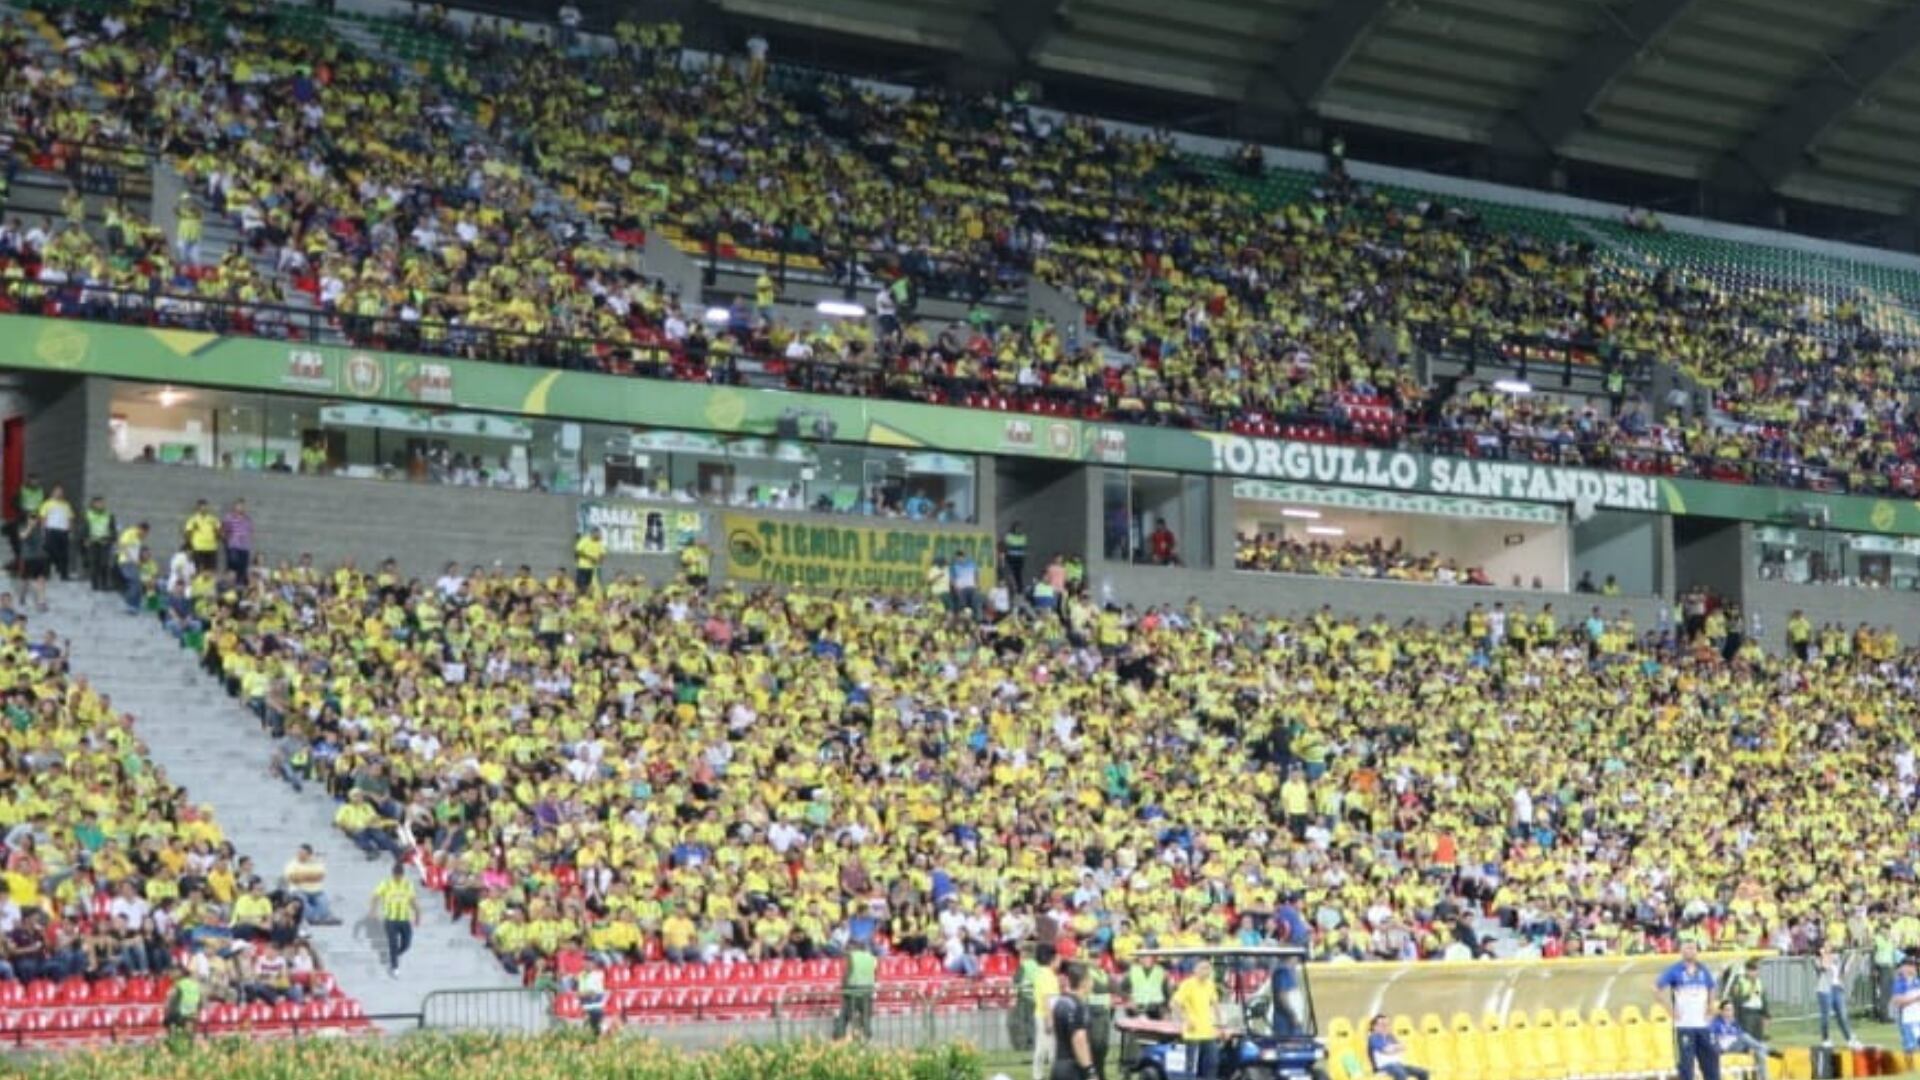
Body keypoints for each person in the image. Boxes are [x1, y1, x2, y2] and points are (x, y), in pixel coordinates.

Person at [1656, 942, 1720, 1080]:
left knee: (1711, 1064)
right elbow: (1657, 989)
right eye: (1687, 948)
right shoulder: (1675, 970)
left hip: (1703, 1025)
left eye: (1693, 948)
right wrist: (1670, 1010)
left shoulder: (1703, 969)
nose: (1691, 951)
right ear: (1681, 951)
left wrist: (1711, 1006)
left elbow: (1712, 987)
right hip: (1684, 1026)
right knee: (1686, 1067)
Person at [1170, 959, 1220, 1080]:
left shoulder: (1210, 984)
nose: (1206, 971)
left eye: (1208, 968)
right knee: (1191, 1066)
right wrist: (1185, 1019)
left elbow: (1215, 1004)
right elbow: (1174, 1003)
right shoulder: (1188, 984)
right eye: (1203, 968)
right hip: (1193, 1033)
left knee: (1212, 1063)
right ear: (1195, 970)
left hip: (1208, 1032)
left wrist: (1220, 1023)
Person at [1050, 963, 1097, 1080]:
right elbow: (1079, 1039)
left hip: (1059, 1065)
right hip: (1073, 1068)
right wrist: (1089, 1070)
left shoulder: (1060, 1002)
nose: (1092, 982)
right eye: (1090, 979)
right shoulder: (1079, 1006)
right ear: (1083, 982)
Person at [373, 861, 419, 979]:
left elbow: (412, 900)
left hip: (404, 919)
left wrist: (417, 913)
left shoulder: (408, 885)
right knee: (393, 943)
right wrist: (373, 910)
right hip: (391, 920)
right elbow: (376, 896)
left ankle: (394, 955)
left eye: (400, 876)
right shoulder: (386, 884)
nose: (398, 878)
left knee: (407, 944)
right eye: (396, 875)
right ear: (393, 874)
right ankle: (395, 967)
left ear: (402, 875)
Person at [1710, 1001, 1773, 1080]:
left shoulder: (1735, 1023)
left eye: (1731, 1010)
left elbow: (1742, 1038)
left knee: (1759, 1052)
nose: (1730, 1012)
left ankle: (1765, 1078)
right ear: (1721, 1011)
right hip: (1725, 1049)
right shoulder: (1716, 1023)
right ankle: (1765, 1048)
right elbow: (1711, 1038)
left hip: (1737, 1046)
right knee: (1744, 1037)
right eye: (1727, 1010)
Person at [1816, 944, 1860, 1048]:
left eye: (1830, 946)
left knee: (1842, 1015)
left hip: (1837, 988)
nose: (1829, 948)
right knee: (1825, 1017)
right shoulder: (1818, 959)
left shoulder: (1836, 958)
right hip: (1824, 989)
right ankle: (1825, 1039)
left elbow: (1842, 973)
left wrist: (1850, 959)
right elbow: (1824, 967)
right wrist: (1824, 954)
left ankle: (1849, 1039)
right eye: (1826, 946)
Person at [284, 845, 339, 926]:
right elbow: (291, 877)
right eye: (299, 853)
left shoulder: (316, 863)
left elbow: (320, 875)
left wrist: (302, 876)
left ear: (309, 854)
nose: (300, 855)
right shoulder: (292, 864)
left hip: (316, 891)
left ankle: (321, 917)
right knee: (302, 902)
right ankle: (311, 918)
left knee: (323, 902)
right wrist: (311, 876)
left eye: (302, 853)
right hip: (299, 890)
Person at [1367, 1014, 1431, 1080]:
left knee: (1423, 1072)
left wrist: (1393, 1048)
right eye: (1382, 1025)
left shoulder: (1390, 1036)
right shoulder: (1374, 1037)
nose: (1386, 1027)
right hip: (1385, 1067)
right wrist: (1396, 1048)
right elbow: (1386, 1051)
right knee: (1401, 1074)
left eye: (1387, 1024)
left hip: (1398, 1065)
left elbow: (1404, 1047)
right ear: (1375, 1027)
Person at [835, 937, 876, 1040]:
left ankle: (839, 1035)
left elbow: (849, 971)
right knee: (865, 1015)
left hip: (853, 988)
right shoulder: (872, 957)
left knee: (845, 1015)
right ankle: (866, 1036)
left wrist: (843, 985)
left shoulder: (851, 956)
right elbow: (875, 974)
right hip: (867, 989)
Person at [1724, 958, 1767, 1041]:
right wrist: (1749, 996)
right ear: (1747, 970)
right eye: (1752, 970)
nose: (1755, 973)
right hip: (1746, 1014)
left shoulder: (1758, 982)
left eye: (1756, 970)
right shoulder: (1740, 982)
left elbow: (1762, 998)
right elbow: (1736, 999)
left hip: (1757, 1013)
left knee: (1758, 1040)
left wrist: (1766, 1014)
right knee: (1747, 1040)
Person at [36, 483, 72, 582]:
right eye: (57, 491)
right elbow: (43, 518)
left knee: (64, 554)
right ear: (53, 493)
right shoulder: (47, 504)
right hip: (51, 530)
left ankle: (64, 574)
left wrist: (69, 531)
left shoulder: (66, 504)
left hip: (63, 531)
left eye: (61, 492)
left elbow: (69, 518)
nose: (59, 493)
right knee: (50, 553)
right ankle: (46, 573)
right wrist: (43, 531)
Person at [82, 495, 115, 591]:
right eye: (99, 503)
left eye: (103, 503)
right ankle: (95, 585)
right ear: (93, 504)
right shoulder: (87, 514)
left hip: (104, 541)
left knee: (104, 564)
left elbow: (113, 530)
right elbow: (83, 528)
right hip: (92, 542)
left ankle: (104, 584)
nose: (101, 504)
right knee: (94, 564)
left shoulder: (109, 515)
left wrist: (109, 539)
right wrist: (85, 539)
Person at [163, 962, 203, 1041]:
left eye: (171, 971)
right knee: (189, 1036)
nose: (169, 974)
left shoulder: (177, 985)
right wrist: (197, 1012)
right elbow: (200, 1001)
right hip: (192, 1014)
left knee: (175, 1037)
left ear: (178, 973)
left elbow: (169, 1002)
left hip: (179, 1015)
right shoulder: (195, 984)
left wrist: (167, 1016)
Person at [1892, 957, 1920, 1054]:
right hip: (1907, 1019)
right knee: (1910, 1048)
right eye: (1911, 965)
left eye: (1914, 965)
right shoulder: (1901, 982)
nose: (1914, 968)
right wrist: (1915, 999)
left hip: (1916, 1017)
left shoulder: (1916, 981)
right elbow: (1898, 1001)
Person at [183, 500, 221, 572]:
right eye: (201, 506)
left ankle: (209, 583)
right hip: (198, 548)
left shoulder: (213, 519)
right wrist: (189, 545)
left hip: (211, 548)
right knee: (199, 569)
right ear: (198, 507)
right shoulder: (193, 520)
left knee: (211, 570)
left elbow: (219, 531)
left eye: (205, 506)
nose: (204, 508)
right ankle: (199, 583)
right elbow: (187, 532)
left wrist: (218, 536)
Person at [221, 500, 254, 580]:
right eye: (238, 506)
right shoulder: (229, 517)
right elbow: (223, 530)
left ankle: (239, 583)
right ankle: (230, 581)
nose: (240, 508)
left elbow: (250, 531)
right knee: (233, 564)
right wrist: (227, 539)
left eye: (242, 506)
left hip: (244, 546)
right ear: (234, 507)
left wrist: (247, 539)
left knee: (243, 566)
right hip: (233, 546)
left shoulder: (247, 519)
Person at [578, 959, 608, 1036]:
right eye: (586, 963)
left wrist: (585, 993)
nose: (588, 965)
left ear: (594, 965)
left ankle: (604, 1036)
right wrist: (585, 994)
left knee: (601, 1022)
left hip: (597, 1005)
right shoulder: (581, 975)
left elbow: (594, 993)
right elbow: (580, 993)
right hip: (586, 1006)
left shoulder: (599, 974)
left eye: (590, 963)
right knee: (587, 1023)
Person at [574, 527, 605, 592]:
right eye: (597, 534)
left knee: (589, 586)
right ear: (592, 534)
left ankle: (587, 599)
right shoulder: (584, 540)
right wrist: (590, 558)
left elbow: (602, 553)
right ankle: (581, 599)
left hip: (592, 568)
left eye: (599, 534)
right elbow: (578, 552)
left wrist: (600, 559)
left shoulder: (599, 543)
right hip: (582, 567)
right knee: (580, 585)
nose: (599, 535)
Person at [1002, 522, 1028, 593]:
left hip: (1019, 558)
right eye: (1017, 528)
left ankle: (1020, 589)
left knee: (1018, 574)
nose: (1018, 530)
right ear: (1014, 528)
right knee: (1011, 573)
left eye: (1020, 528)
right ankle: (1012, 588)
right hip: (1011, 557)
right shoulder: (1009, 536)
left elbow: (1023, 546)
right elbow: (1006, 546)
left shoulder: (1023, 536)